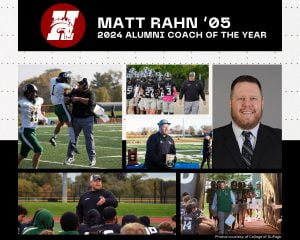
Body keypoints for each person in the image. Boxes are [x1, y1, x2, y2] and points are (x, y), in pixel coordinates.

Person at [213, 75, 282, 169]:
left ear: (262, 103)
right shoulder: (211, 140)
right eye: (241, 98)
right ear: (230, 103)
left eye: (253, 98)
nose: (247, 104)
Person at [65, 78, 96, 166]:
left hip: (87, 119)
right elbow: (67, 100)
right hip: (76, 118)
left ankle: (92, 158)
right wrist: (67, 97)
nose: (78, 85)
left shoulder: (90, 93)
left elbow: (91, 102)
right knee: (73, 138)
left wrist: (78, 99)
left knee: (89, 139)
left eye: (80, 84)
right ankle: (70, 157)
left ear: (85, 85)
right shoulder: (75, 91)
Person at [18, 84, 48, 169]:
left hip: (32, 131)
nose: (34, 94)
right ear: (27, 93)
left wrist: (41, 116)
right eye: (32, 93)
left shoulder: (37, 101)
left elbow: (35, 115)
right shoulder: (23, 103)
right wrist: (41, 118)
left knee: (22, 155)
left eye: (35, 92)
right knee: (39, 150)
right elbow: (34, 117)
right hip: (25, 132)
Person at [49, 72, 79, 154]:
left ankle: (54, 137)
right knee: (70, 123)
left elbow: (55, 79)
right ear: (63, 80)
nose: (68, 80)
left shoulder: (53, 81)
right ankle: (73, 143)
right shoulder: (62, 85)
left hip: (55, 106)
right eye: (67, 79)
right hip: (61, 105)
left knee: (61, 122)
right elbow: (71, 91)